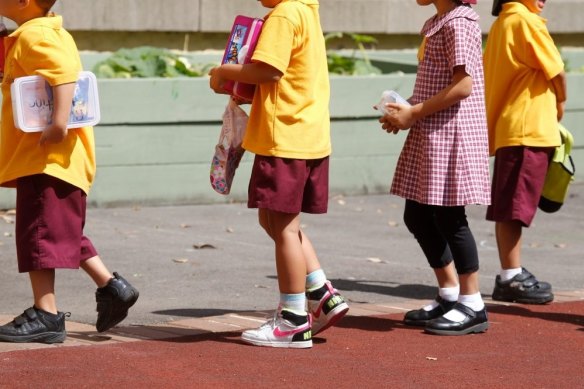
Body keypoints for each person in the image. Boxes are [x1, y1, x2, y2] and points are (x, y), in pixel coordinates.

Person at [209, 0, 349, 348]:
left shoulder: (285, 15)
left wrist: (224, 71)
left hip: (284, 136)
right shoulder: (306, 10)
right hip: (307, 134)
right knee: (273, 220)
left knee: (283, 226)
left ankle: (293, 319)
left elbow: (269, 70)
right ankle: (320, 292)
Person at [0, 0, 139, 344]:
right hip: (57, 159)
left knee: (38, 232)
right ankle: (112, 287)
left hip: (47, 156)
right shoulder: (46, 30)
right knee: (57, 227)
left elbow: (62, 75)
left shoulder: (36, 37)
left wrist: (58, 123)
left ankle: (46, 314)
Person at [379, 0, 491, 335]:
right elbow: (439, 83)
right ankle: (450, 293)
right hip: (434, 131)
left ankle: (473, 305)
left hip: (452, 133)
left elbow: (463, 85)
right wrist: (405, 110)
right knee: (417, 215)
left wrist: (412, 113)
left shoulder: (459, 23)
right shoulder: (439, 21)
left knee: (450, 218)